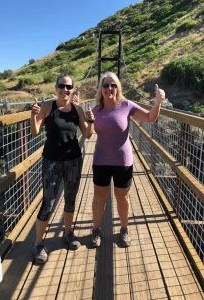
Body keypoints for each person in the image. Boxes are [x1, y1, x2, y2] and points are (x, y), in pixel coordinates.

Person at [86, 72, 165, 248]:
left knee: (122, 198)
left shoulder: (127, 105)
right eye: (105, 85)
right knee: (99, 197)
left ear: (118, 87)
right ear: (101, 89)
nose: (109, 88)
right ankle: (96, 230)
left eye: (113, 85)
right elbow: (88, 134)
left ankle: (123, 230)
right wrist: (87, 119)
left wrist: (158, 102)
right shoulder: (95, 110)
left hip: (123, 161)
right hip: (101, 160)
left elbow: (150, 118)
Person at [30, 74, 93, 264]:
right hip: (51, 161)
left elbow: (88, 134)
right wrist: (33, 115)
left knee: (70, 198)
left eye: (69, 87)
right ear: (56, 87)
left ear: (72, 89)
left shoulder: (78, 109)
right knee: (48, 202)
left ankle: (68, 233)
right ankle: (39, 244)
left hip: (73, 160)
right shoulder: (48, 107)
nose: (65, 90)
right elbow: (35, 132)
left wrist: (91, 121)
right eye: (62, 86)